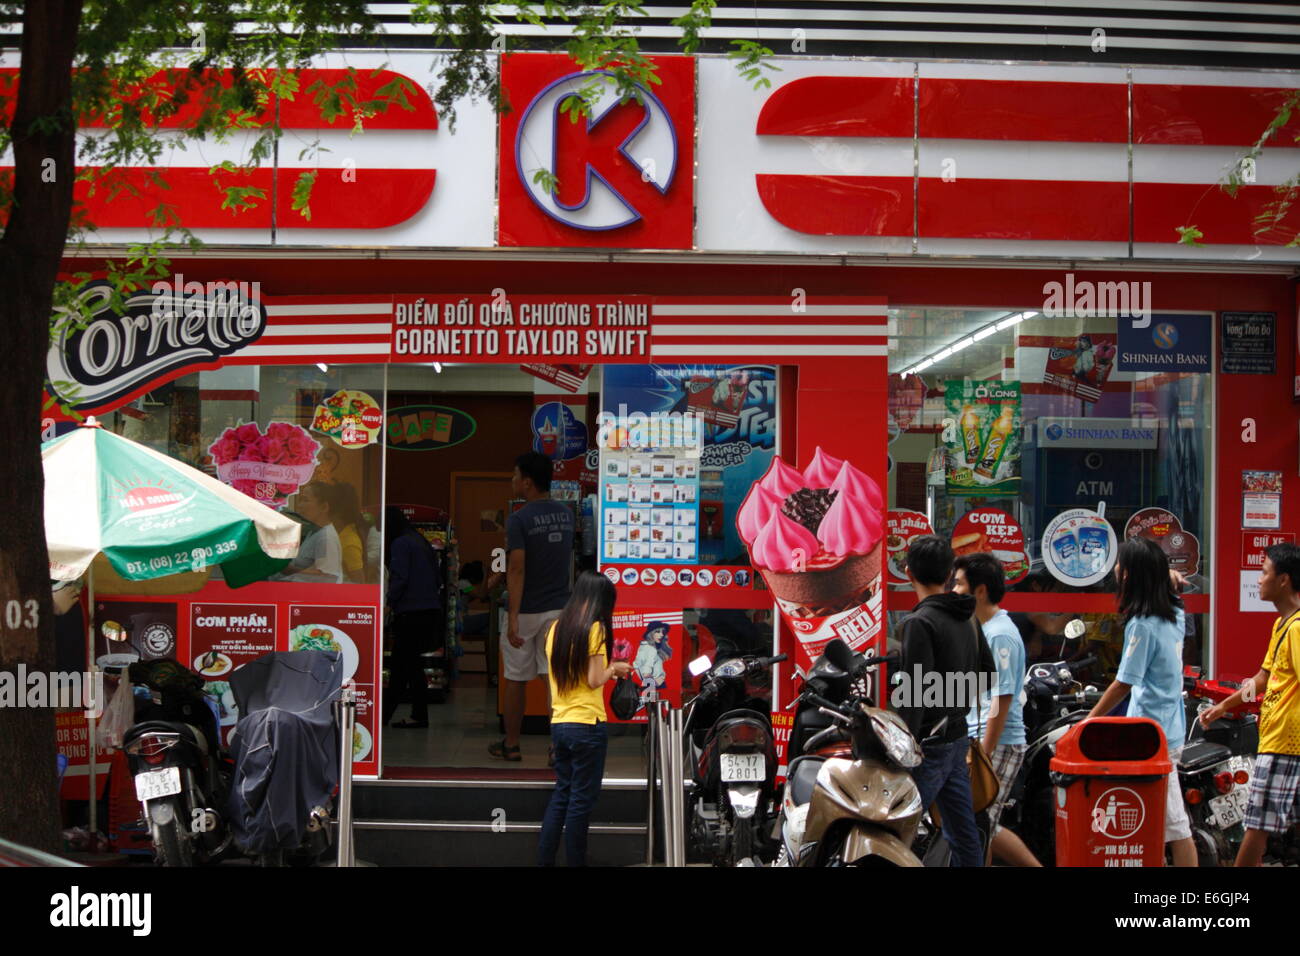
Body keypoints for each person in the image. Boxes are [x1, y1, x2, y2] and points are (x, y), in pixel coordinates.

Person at [1086, 537, 1195, 866]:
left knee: (1174, 826)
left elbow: (1123, 684)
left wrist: (1089, 720)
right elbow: (1176, 585)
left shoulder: (1143, 624)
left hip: (1151, 736)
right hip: (1168, 727)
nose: (1116, 569)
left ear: (1130, 575)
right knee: (1153, 820)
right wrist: (1169, 577)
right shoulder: (1174, 610)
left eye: (1121, 564)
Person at [896, 535, 995, 867]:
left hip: (929, 744)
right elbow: (987, 673)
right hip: (957, 737)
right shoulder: (968, 617)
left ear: (908, 573)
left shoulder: (919, 623)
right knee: (961, 830)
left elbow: (914, 694)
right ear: (949, 574)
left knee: (894, 826)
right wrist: (956, 697)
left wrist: (902, 746)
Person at [1199, 542, 1300, 866]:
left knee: (1257, 825)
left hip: (1287, 742)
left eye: (1264, 572)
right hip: (1277, 740)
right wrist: (1224, 707)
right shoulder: (1282, 625)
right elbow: (1261, 679)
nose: (1258, 579)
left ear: (1283, 580)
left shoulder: (1297, 628)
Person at [952, 553, 1040, 867]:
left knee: (981, 822)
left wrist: (984, 753)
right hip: (982, 738)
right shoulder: (984, 628)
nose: (955, 590)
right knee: (978, 824)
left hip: (999, 741)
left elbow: (1001, 700)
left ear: (980, 590)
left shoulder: (1000, 634)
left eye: (960, 583)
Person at [538, 571, 632, 866]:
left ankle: (545, 862)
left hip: (560, 724)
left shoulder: (556, 629)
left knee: (562, 796)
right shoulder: (595, 629)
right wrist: (615, 670)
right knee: (581, 802)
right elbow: (593, 680)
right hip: (587, 725)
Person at [490, 452, 575, 761]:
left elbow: (516, 569)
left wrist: (512, 617)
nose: (512, 481)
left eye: (515, 476)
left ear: (527, 482)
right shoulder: (566, 514)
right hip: (559, 608)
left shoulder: (519, 518)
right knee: (552, 678)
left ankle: (511, 744)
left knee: (515, 677)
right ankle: (557, 747)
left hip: (526, 611)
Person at [382, 506, 443, 728]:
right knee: (411, 665)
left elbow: (400, 577)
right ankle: (417, 715)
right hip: (429, 610)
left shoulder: (400, 543)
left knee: (402, 665)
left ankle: (385, 716)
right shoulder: (419, 540)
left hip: (410, 611)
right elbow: (437, 578)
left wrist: (389, 603)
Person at [281, 482, 343, 582]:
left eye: (305, 500)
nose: (299, 505)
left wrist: (289, 570)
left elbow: (328, 576)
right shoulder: (313, 532)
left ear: (324, 507)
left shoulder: (326, 538)